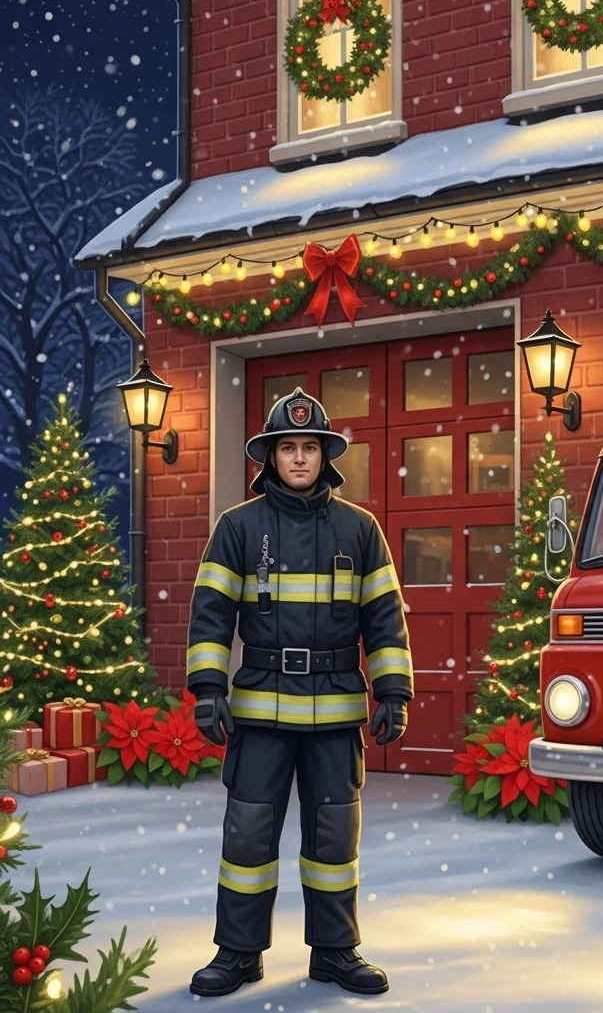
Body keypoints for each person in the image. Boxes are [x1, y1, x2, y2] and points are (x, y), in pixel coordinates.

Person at [186, 387, 413, 998]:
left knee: (334, 839)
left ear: (325, 455)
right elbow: (211, 614)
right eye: (288, 447)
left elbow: (384, 617)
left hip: (336, 715)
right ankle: (238, 954)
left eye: (309, 447)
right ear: (271, 456)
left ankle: (335, 951)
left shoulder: (360, 529)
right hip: (259, 712)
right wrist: (207, 688)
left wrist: (394, 692)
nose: (299, 458)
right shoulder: (237, 527)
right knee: (248, 836)